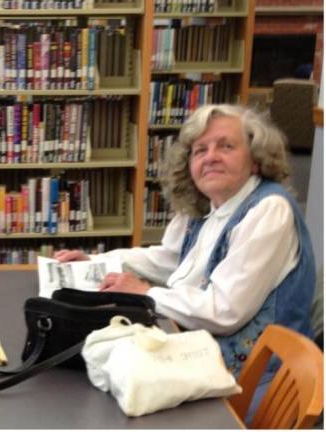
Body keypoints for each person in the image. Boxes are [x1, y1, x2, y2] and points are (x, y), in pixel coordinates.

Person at [55, 104, 315, 415]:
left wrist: (145, 295)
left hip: (246, 384)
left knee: (99, 390)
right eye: (199, 150)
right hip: (203, 358)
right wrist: (97, 261)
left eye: (226, 146)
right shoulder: (209, 204)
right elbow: (166, 260)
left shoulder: (269, 209)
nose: (211, 157)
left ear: (256, 160)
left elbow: (224, 311)